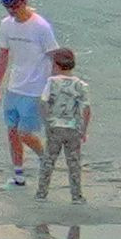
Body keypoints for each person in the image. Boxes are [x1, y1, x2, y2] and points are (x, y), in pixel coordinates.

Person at [0, 0, 57, 188]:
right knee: (12, 132)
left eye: (14, 6)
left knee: (25, 133)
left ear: (24, 2)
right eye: (7, 6)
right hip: (14, 86)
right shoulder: (6, 25)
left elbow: (54, 57)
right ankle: (18, 175)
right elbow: (3, 54)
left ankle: (46, 158)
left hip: (35, 88)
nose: (11, 10)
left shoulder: (41, 27)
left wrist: (53, 88)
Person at [35, 47, 92, 205]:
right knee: (74, 163)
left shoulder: (52, 82)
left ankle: (41, 193)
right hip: (73, 128)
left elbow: (43, 103)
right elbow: (86, 109)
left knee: (48, 161)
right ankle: (76, 196)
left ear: (55, 64)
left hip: (55, 127)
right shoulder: (81, 85)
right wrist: (84, 129)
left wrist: (47, 122)